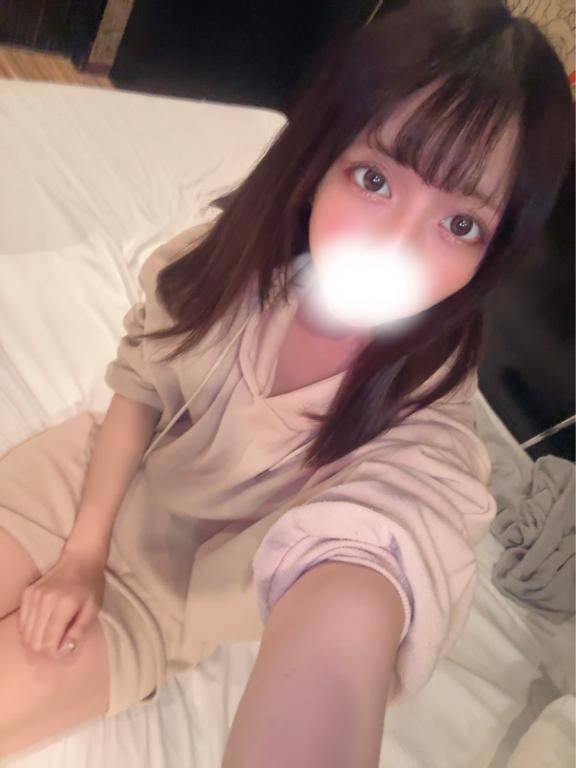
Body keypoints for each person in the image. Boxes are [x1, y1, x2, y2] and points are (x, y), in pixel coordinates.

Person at [0, 0, 573, 762]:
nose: (396, 245)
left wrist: (354, 603)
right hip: (83, 486)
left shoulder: (425, 424)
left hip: (158, 608)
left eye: (460, 224)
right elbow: (139, 382)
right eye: (374, 178)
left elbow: (387, 545)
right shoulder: (235, 263)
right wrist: (81, 552)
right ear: (322, 158)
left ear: (493, 254)